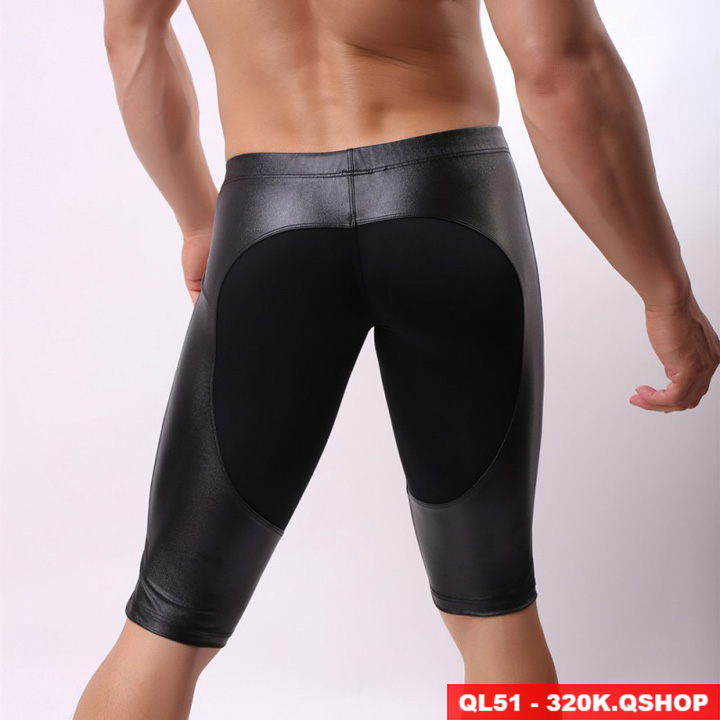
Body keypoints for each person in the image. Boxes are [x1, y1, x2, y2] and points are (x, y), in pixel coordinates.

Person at [75, 0, 720, 717]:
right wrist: (665, 291)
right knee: (494, 607)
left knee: (168, 616)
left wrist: (199, 219)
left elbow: (130, 35)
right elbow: (557, 67)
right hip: (452, 206)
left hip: (268, 221)